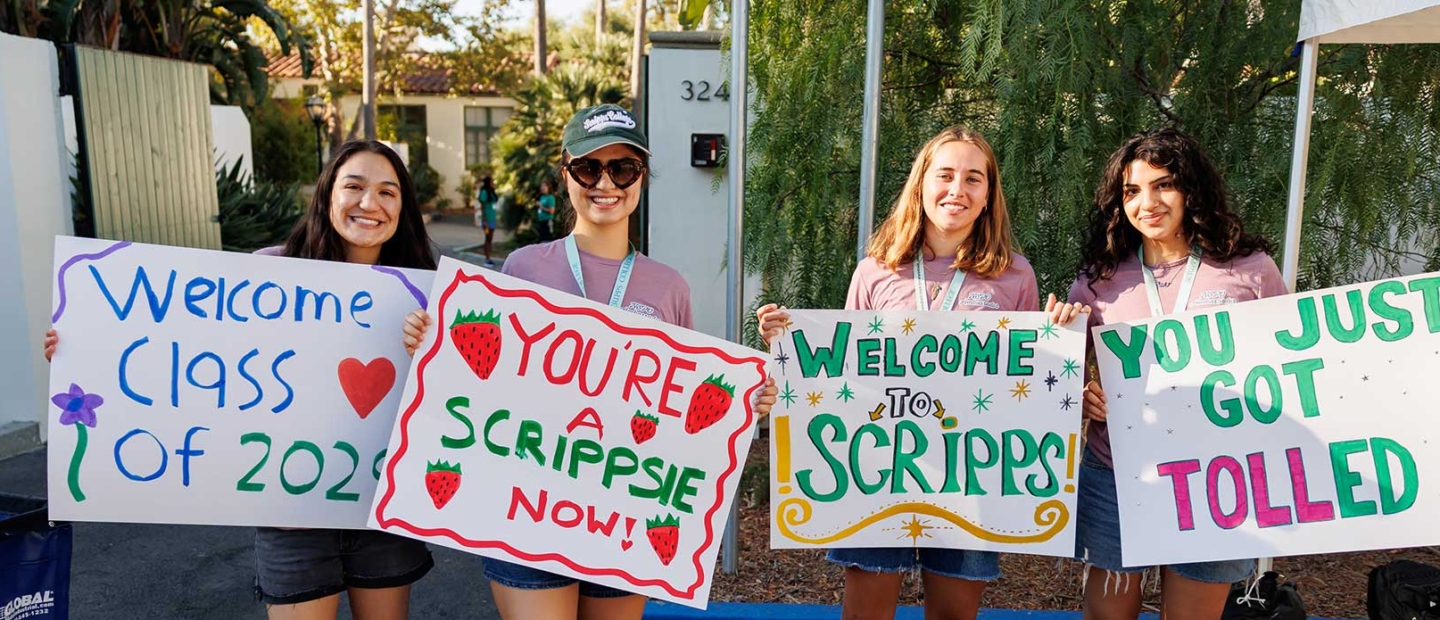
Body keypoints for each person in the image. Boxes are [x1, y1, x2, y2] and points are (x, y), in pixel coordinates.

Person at [401, 104, 777, 620]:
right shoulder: (523, 268)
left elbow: (680, 412)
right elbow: (480, 381)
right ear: (566, 175)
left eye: (622, 168)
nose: (606, 182)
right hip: (527, 511)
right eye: (589, 167)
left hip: (625, 518)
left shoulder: (668, 287)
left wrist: (744, 406)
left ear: (642, 178)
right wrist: (430, 343)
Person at [44, 140, 438, 620]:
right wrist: (82, 351)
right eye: (353, 186)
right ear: (326, 194)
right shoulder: (266, 274)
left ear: (403, 207)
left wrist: (432, 348)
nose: (369, 203)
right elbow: (183, 349)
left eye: (387, 192)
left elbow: (455, 394)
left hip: (381, 504)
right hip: (289, 507)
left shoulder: (428, 290)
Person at [757, 125, 1039, 620]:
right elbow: (841, 373)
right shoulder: (876, 270)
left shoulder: (1016, 275)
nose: (958, 190)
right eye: (945, 175)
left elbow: (1029, 383)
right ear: (921, 183)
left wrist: (1059, 338)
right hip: (878, 473)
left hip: (968, 476)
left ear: (990, 193)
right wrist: (788, 343)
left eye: (974, 179)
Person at [1066, 127, 1286, 619]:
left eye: (1163, 184)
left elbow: (1286, 366)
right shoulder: (1100, 279)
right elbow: (1062, 374)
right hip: (1117, 474)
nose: (1148, 202)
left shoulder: (1250, 271)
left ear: (1192, 189)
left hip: (1215, 475)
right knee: (1106, 616)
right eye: (1132, 190)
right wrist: (1081, 393)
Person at [475, 175, 499, 267]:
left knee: (490, 239)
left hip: (492, 219)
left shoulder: (491, 192)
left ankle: (489, 258)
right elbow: (483, 206)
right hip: (487, 220)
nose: (493, 183)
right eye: (492, 181)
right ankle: (487, 259)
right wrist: (484, 221)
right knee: (488, 238)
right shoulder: (484, 192)